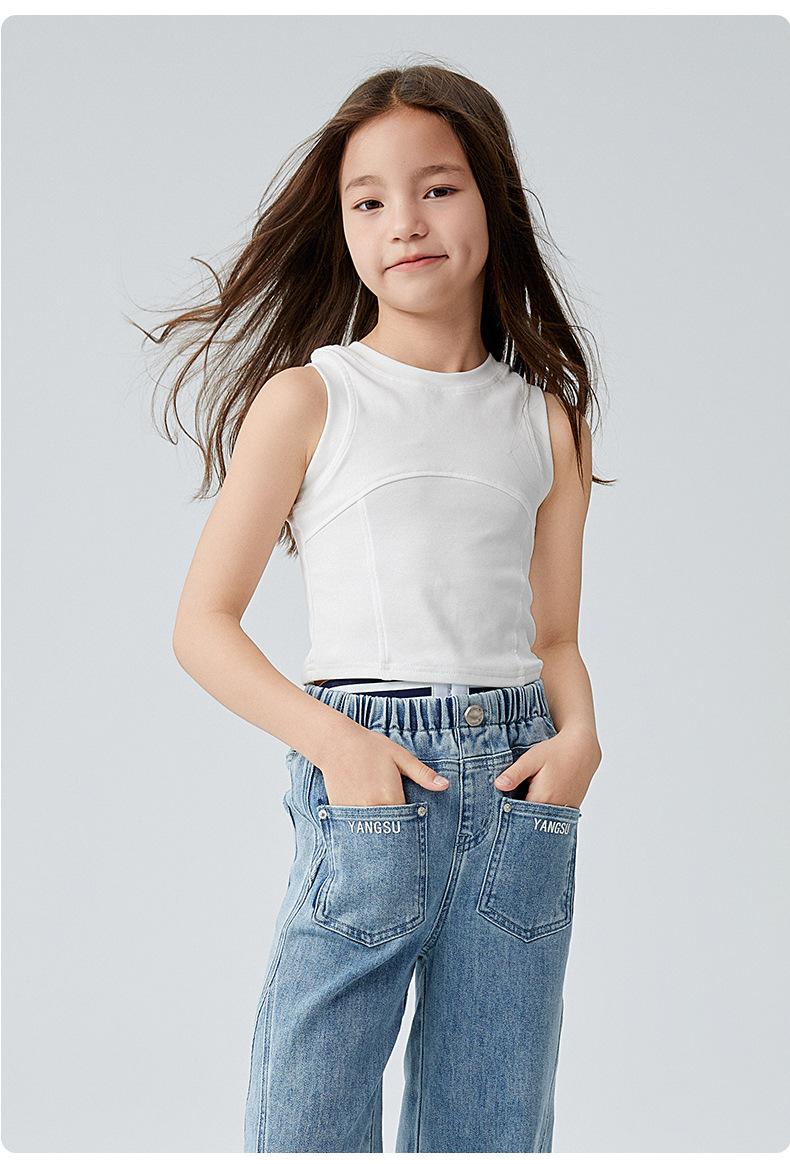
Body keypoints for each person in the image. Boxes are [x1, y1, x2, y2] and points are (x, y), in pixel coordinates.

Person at [149, 63, 608, 1153]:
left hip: (520, 788)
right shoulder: (312, 397)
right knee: (306, 1120)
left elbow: (552, 635)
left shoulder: (546, 420)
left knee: (492, 1127)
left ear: (493, 200)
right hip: (370, 786)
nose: (404, 220)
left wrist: (581, 736)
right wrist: (342, 748)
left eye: (437, 188)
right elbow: (201, 625)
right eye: (368, 201)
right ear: (344, 226)